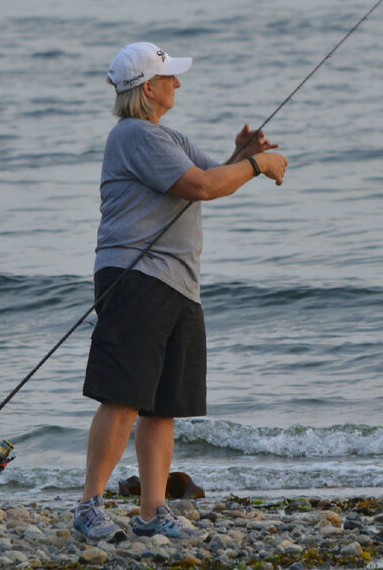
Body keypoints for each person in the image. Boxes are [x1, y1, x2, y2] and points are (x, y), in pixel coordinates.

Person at [72, 42, 287, 541]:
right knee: (123, 397)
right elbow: (202, 187)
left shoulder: (165, 137)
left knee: (161, 404)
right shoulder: (134, 136)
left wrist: (244, 155)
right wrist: (261, 166)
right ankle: (89, 506)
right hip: (137, 278)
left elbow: (212, 176)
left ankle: (152, 514)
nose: (179, 84)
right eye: (170, 77)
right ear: (148, 88)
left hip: (176, 282)